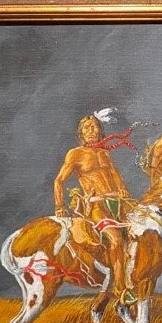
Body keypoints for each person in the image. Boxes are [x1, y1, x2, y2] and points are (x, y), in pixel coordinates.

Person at [54, 109, 135, 303]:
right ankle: (121, 289)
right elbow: (59, 181)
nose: (91, 130)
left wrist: (123, 190)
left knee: (145, 231)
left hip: (119, 203)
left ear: (101, 131)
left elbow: (115, 175)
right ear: (80, 133)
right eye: (87, 128)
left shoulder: (104, 153)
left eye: (95, 127)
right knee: (116, 240)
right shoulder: (75, 154)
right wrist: (59, 206)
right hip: (98, 206)